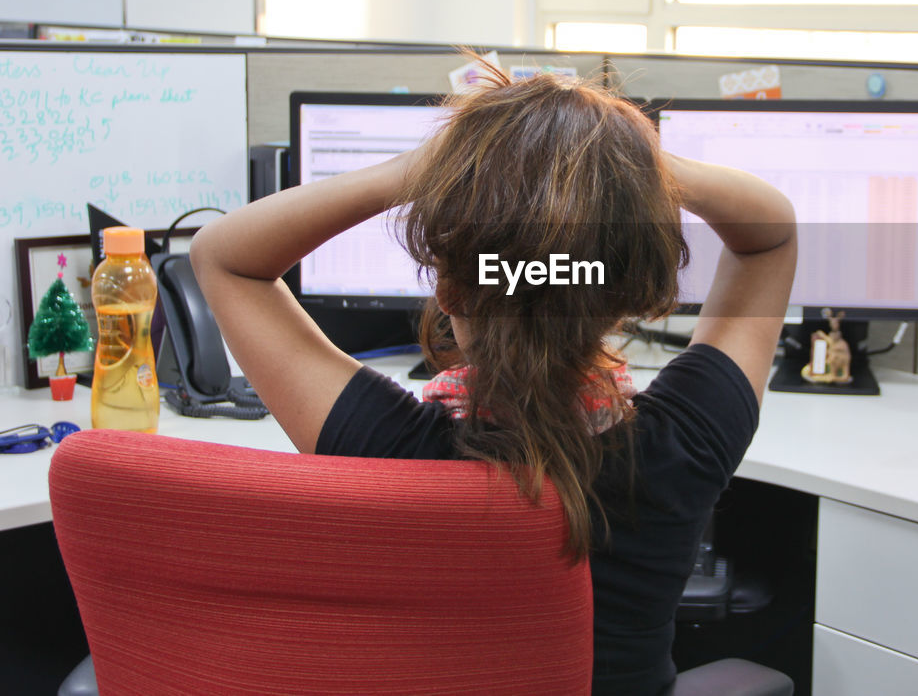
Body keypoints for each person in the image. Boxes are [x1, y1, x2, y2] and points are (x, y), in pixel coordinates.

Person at [190, 64, 797, 695]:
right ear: (621, 299)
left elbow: (224, 259)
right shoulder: (687, 445)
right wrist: (630, 167)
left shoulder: (389, 450)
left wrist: (424, 168)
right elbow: (771, 234)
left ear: (448, 289)